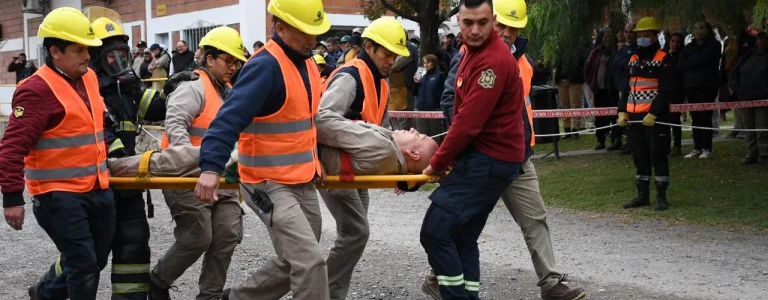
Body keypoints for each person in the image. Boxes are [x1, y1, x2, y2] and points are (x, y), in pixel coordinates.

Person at [428, 1, 586, 299]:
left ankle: (551, 282)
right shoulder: (467, 54)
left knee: (534, 217)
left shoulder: (522, 62)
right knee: (462, 223)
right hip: (479, 157)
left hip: (518, 156)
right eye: (502, 26)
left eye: (513, 28)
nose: (507, 33)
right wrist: (470, 138)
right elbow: (451, 102)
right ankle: (442, 277)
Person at [194, 0, 331, 299]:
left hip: (301, 177)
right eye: (306, 31)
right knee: (310, 262)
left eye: (316, 31)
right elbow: (226, 121)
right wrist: (210, 168)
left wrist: (315, 160)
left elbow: (304, 122)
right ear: (280, 28)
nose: (313, 39)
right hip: (267, 182)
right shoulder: (265, 66)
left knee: (295, 259)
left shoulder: (307, 63)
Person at [0, 8, 113, 300]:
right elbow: (11, 147)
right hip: (58, 196)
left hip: (97, 188)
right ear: (55, 51)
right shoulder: (36, 90)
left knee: (95, 261)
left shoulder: (88, 78)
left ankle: (45, 293)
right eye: (78, 50)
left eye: (87, 48)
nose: (87, 56)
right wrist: (12, 199)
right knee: (84, 265)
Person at [419, 0, 526, 299]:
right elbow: (459, 107)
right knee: (462, 237)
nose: (475, 30)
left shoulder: (492, 59)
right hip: (488, 158)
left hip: (490, 159)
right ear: (458, 21)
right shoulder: (472, 52)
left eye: (482, 22)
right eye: (468, 23)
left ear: (493, 20)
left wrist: (437, 162)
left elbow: (467, 123)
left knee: (436, 232)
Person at [314, 16, 411, 300]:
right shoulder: (350, 77)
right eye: (388, 53)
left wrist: (399, 172)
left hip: (355, 168)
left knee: (353, 233)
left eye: (395, 55)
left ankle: (327, 291)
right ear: (369, 47)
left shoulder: (380, 83)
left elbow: (384, 131)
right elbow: (321, 119)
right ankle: (327, 294)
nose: (392, 60)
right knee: (356, 232)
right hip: (336, 166)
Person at [148, 26, 248, 300]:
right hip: (187, 177)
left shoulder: (228, 91)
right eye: (228, 60)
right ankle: (158, 281)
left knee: (228, 233)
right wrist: (193, 163)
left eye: (236, 62)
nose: (233, 67)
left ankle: (210, 296)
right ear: (210, 59)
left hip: (221, 177)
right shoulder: (193, 86)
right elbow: (176, 123)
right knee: (197, 237)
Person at [89, 16, 168, 300]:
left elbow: (157, 109)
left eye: (123, 54)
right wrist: (115, 152)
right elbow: (94, 131)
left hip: (128, 181)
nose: (119, 61)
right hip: (98, 184)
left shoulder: (126, 87)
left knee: (134, 245)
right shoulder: (86, 90)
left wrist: (173, 88)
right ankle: (49, 290)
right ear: (96, 58)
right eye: (112, 55)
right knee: (90, 254)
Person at [617, 16, 676, 211]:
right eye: (640, 34)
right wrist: (622, 111)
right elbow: (626, 88)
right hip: (634, 118)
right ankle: (642, 195)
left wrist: (654, 113)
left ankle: (661, 197)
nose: (642, 38)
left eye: (646, 35)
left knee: (658, 156)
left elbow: (666, 91)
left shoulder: (663, 58)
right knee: (639, 157)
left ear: (654, 36)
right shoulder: (633, 59)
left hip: (654, 119)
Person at [679, 21, 722, 159]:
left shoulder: (714, 45)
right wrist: (695, 62)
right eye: (696, 28)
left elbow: (707, 60)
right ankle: (697, 147)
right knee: (695, 117)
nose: (699, 31)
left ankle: (707, 147)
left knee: (705, 116)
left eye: (702, 28)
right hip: (691, 85)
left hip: (707, 85)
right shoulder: (690, 46)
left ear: (708, 30)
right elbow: (682, 64)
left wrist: (692, 62)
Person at [729, 31, 768, 165]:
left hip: (763, 99)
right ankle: (751, 154)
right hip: (745, 97)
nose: (762, 41)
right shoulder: (747, 56)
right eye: (760, 39)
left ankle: (764, 154)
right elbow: (733, 72)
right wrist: (737, 88)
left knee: (762, 128)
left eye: (765, 39)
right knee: (749, 128)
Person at [585, 28, 620, 150]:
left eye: (610, 37)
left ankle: (616, 139)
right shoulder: (595, 52)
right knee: (600, 116)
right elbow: (588, 68)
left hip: (612, 90)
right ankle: (601, 140)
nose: (607, 39)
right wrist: (591, 83)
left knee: (614, 116)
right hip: (599, 90)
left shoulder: (616, 51)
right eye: (605, 37)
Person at [612, 23, 638, 154]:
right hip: (623, 87)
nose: (628, 35)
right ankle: (628, 142)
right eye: (626, 32)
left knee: (634, 117)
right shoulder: (622, 49)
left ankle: (635, 143)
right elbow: (615, 64)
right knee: (624, 116)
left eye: (631, 32)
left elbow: (633, 63)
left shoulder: (638, 48)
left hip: (635, 88)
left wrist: (625, 62)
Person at [414, 54, 446, 144]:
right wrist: (415, 83)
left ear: (434, 63)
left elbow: (443, 92)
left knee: (435, 133)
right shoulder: (421, 74)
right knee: (422, 133)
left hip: (434, 109)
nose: (426, 65)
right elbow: (414, 92)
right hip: (420, 108)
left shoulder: (440, 75)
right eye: (424, 63)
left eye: (428, 62)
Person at [665, 33, 686, 156]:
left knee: (675, 120)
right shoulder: (664, 55)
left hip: (677, 91)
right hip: (665, 91)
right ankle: (665, 145)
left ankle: (677, 145)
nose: (674, 44)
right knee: (665, 120)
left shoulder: (682, 56)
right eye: (672, 41)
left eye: (677, 41)